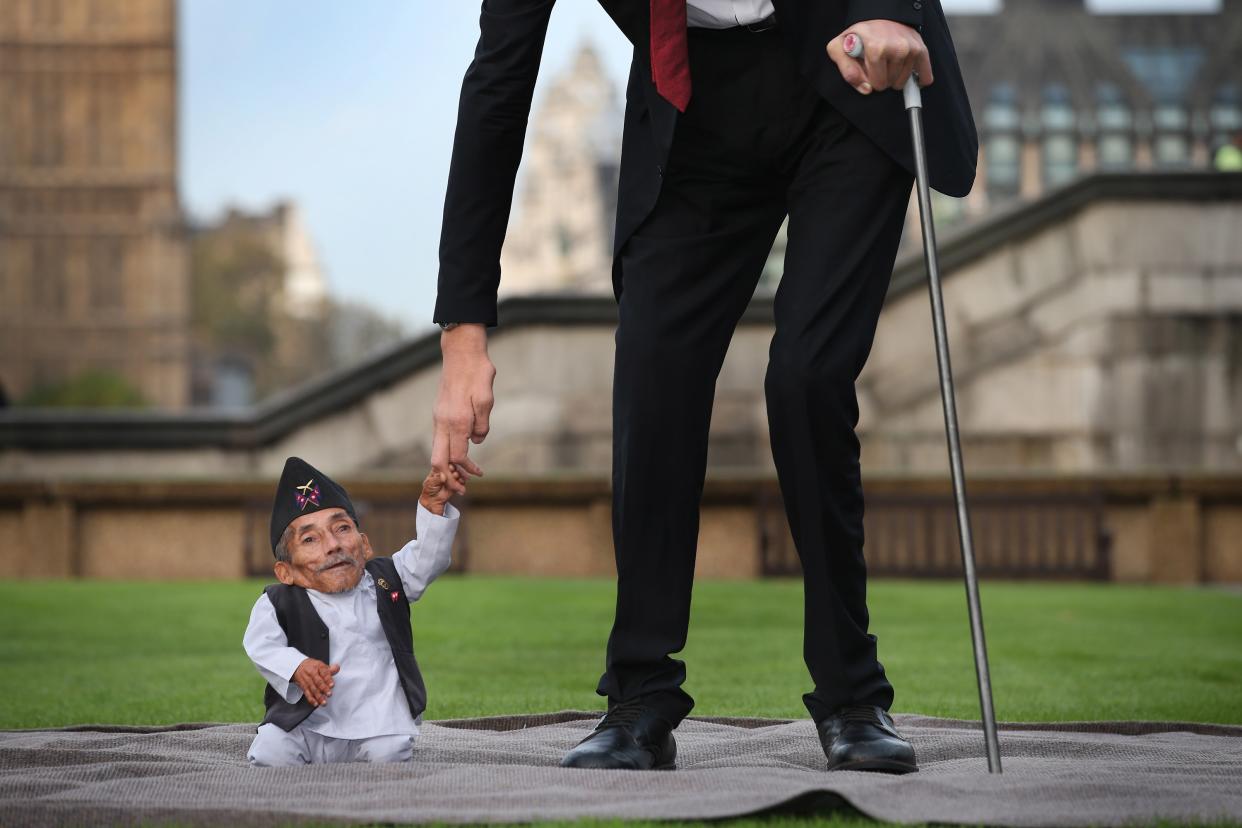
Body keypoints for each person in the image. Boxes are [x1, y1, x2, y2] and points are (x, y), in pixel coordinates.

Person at [432, 0, 978, 773]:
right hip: (695, 104)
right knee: (654, 375)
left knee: (807, 377)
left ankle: (854, 695)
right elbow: (497, 86)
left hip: (844, 66)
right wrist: (463, 336)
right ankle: (639, 696)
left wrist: (888, 14)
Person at [244, 456, 460, 766]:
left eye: (341, 528)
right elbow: (260, 644)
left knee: (389, 755)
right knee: (271, 752)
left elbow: (429, 558)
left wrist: (433, 508)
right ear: (285, 572)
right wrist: (297, 666)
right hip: (307, 724)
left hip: (378, 723)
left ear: (365, 545)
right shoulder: (279, 602)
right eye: (310, 539)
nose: (332, 545)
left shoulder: (388, 579)